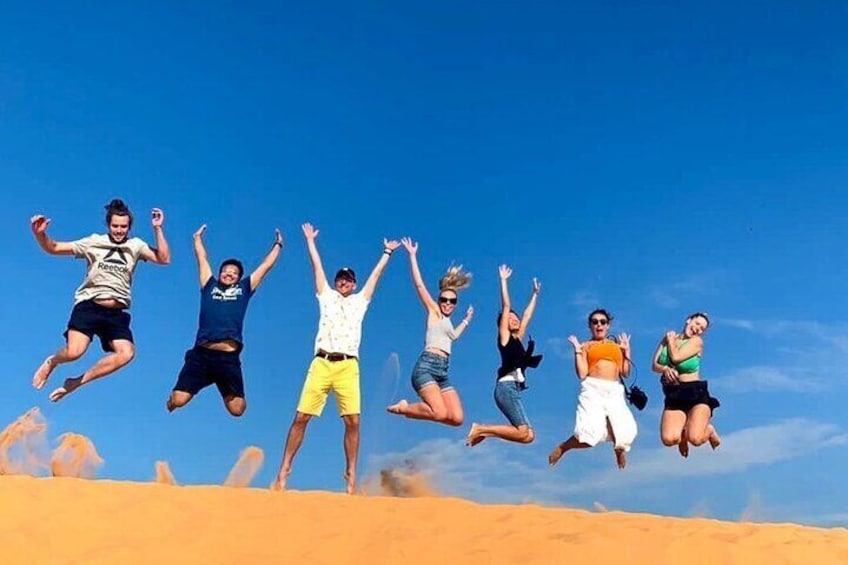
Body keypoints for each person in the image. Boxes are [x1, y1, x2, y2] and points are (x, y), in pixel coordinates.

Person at [272, 223, 400, 494]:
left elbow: (375, 278)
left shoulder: (360, 302)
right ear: (335, 282)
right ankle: (284, 470)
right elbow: (316, 268)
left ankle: (351, 474)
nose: (344, 282)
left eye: (348, 279)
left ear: (353, 284)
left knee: (353, 421)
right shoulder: (326, 297)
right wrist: (310, 242)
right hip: (321, 362)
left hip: (348, 365)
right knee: (301, 416)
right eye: (340, 278)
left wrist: (387, 254)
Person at [30, 198, 171, 402]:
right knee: (74, 352)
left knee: (127, 353)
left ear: (129, 227)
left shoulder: (136, 245)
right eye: (115, 226)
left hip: (116, 312)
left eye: (123, 227)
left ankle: (76, 383)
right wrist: (40, 234)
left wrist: (158, 229)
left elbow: (164, 259)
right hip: (89, 305)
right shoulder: (94, 242)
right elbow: (54, 248)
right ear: (108, 225)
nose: (119, 230)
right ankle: (52, 362)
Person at [166, 224, 283, 417]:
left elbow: (265, 267)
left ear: (239, 277)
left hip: (228, 359)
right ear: (220, 273)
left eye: (234, 273)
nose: (229, 274)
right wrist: (197, 239)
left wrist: (278, 244)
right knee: (179, 400)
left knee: (237, 410)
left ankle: (219, 381)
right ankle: (179, 394)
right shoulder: (209, 285)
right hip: (202, 355)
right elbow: (202, 259)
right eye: (225, 271)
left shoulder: (244, 289)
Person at [386, 237, 473, 426]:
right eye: (444, 300)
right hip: (426, 367)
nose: (448, 303)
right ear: (439, 300)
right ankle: (404, 408)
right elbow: (419, 285)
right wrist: (412, 255)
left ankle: (423, 410)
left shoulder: (449, 323)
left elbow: (454, 337)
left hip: (442, 370)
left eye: (452, 301)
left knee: (456, 418)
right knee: (440, 413)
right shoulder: (434, 311)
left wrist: (466, 321)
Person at [548, 309, 637, 469]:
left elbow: (626, 372)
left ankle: (618, 450)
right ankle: (564, 447)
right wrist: (577, 350)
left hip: (614, 389)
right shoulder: (585, 346)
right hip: (593, 388)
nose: (599, 324)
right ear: (590, 326)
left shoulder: (616, 346)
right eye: (595, 322)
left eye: (602, 322)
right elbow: (582, 373)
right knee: (589, 435)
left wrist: (627, 350)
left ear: (608, 325)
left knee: (626, 429)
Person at [466, 265, 541, 447]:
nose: (514, 319)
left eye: (515, 318)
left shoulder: (518, 339)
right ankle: (480, 429)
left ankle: (484, 432)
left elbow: (527, 315)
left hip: (513, 389)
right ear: (503, 325)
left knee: (529, 436)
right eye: (510, 319)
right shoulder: (505, 338)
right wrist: (503, 281)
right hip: (505, 387)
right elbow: (506, 306)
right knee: (524, 432)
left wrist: (535, 294)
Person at [653, 312, 721, 457]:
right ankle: (682, 435)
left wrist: (671, 341)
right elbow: (655, 365)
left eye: (702, 328)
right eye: (697, 324)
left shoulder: (696, 342)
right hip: (675, 393)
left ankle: (708, 430)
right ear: (688, 320)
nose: (698, 329)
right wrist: (665, 369)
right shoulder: (668, 338)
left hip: (695, 393)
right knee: (669, 439)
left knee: (695, 439)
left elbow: (676, 357)